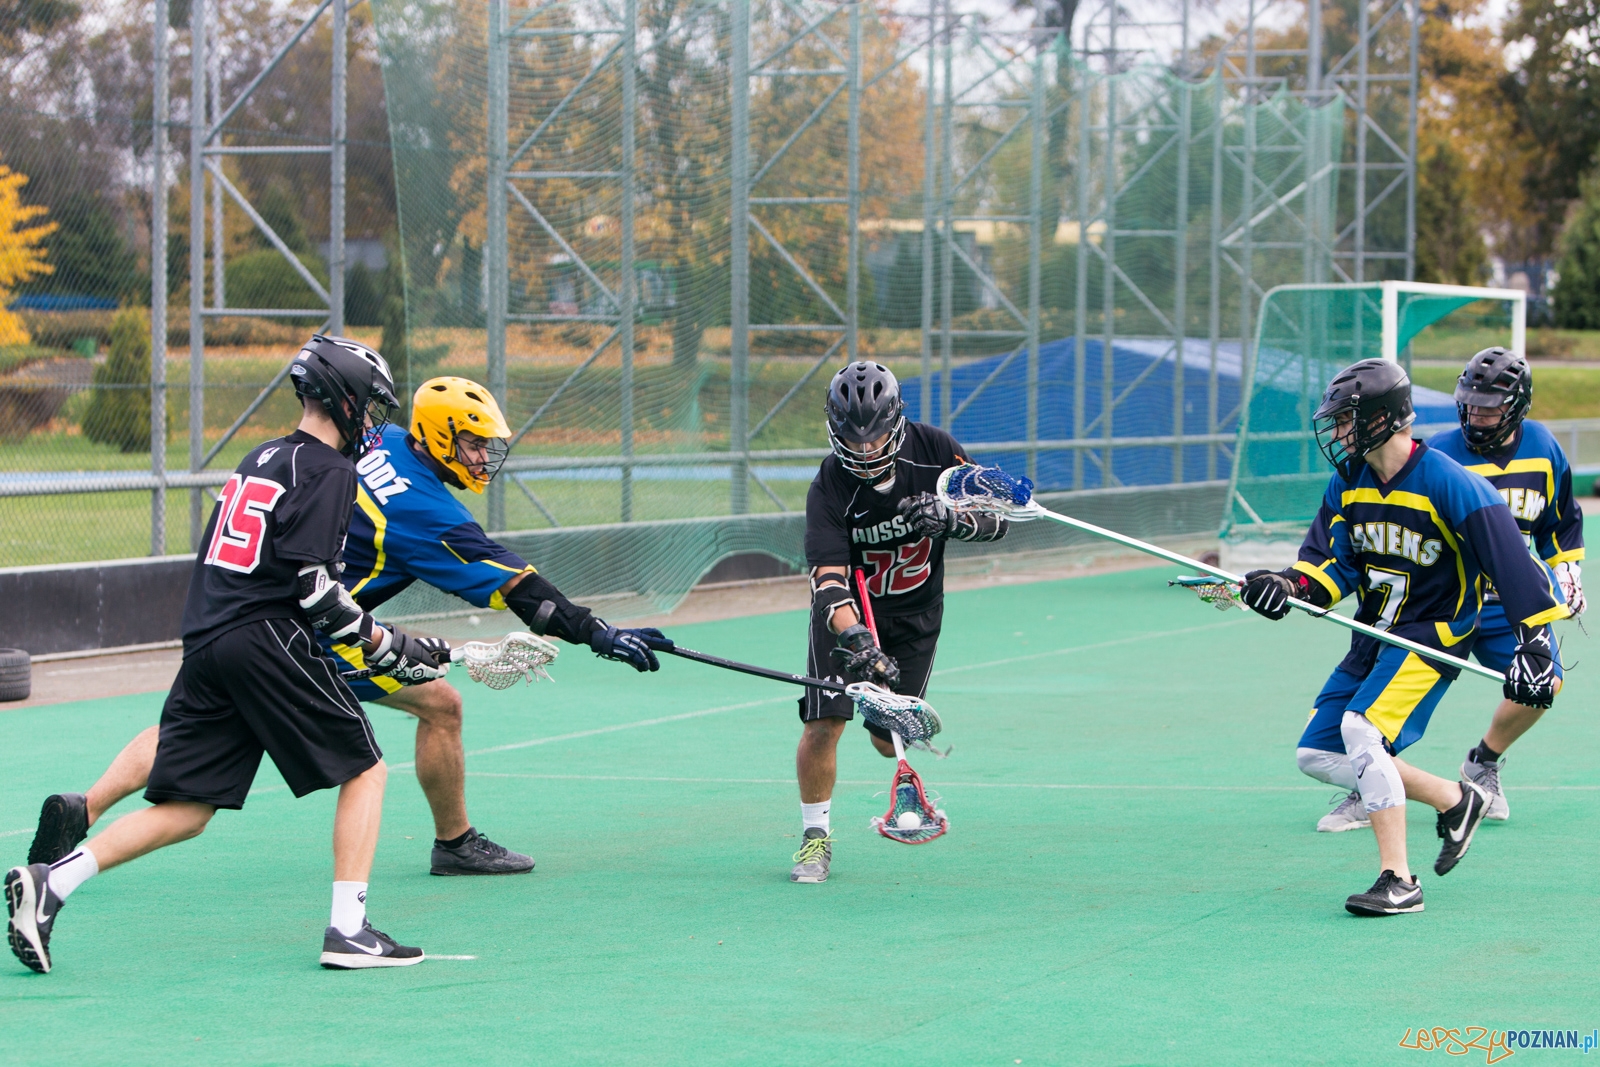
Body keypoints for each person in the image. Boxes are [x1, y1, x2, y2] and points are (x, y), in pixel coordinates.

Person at [25, 375, 672, 884]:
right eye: (474, 444)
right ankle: (452, 846)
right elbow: (521, 590)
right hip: (323, 631)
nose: (482, 457)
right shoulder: (424, 511)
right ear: (441, 438)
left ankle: (85, 806)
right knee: (438, 707)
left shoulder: (378, 444)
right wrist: (599, 632)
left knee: (192, 725)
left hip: (238, 609)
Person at [7, 335, 450, 973]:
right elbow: (316, 592)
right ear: (345, 399)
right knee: (367, 769)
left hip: (209, 640)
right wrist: (395, 646)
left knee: (189, 809)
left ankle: (53, 884)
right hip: (265, 638)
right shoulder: (330, 472)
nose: (374, 421)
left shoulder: (259, 457)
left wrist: (387, 647)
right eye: (371, 405)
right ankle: (349, 931)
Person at [1240, 358, 1566, 916]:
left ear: (1382, 420)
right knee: (1317, 755)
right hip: (1374, 634)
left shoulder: (1448, 482)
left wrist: (1534, 639)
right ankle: (1455, 798)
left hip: (1433, 634)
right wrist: (1286, 586)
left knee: (1362, 730)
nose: (1338, 433)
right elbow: (1330, 566)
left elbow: (1514, 564)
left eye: (1346, 420)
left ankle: (1399, 880)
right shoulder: (1348, 481)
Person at [789, 361, 1006, 884]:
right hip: (850, 617)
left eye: (876, 436)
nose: (864, 449)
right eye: (851, 438)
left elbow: (996, 518)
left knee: (888, 738)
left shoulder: (935, 450)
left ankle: (889, 734)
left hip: (916, 613)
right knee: (824, 723)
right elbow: (829, 580)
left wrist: (955, 518)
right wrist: (856, 635)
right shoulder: (830, 486)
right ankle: (814, 840)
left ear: (897, 422)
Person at [1420, 347, 1582, 823]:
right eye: (1470, 403)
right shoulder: (1439, 454)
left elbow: (1560, 523)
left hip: (1509, 605)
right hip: (1444, 601)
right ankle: (1367, 777)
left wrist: (1568, 572)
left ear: (1517, 405)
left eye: (1489, 406)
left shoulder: (1544, 447)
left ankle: (1483, 761)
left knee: (1544, 683)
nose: (1477, 414)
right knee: (1394, 694)